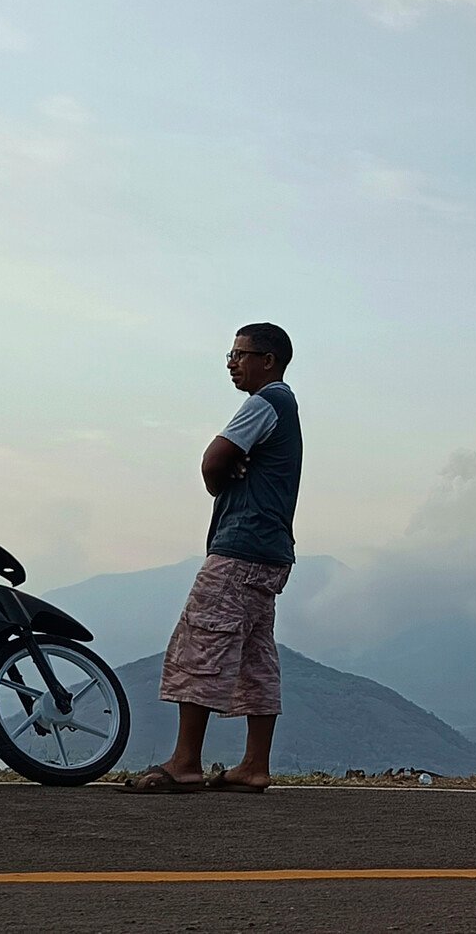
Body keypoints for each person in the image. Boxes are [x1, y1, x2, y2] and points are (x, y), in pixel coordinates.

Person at [126, 323, 303, 794]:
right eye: (230, 353)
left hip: (240, 548)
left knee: (199, 644)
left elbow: (212, 460)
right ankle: (253, 765)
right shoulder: (285, 407)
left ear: (268, 360)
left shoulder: (266, 402)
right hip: (270, 554)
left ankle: (185, 762)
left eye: (241, 354)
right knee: (255, 656)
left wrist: (220, 479)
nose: (231, 362)